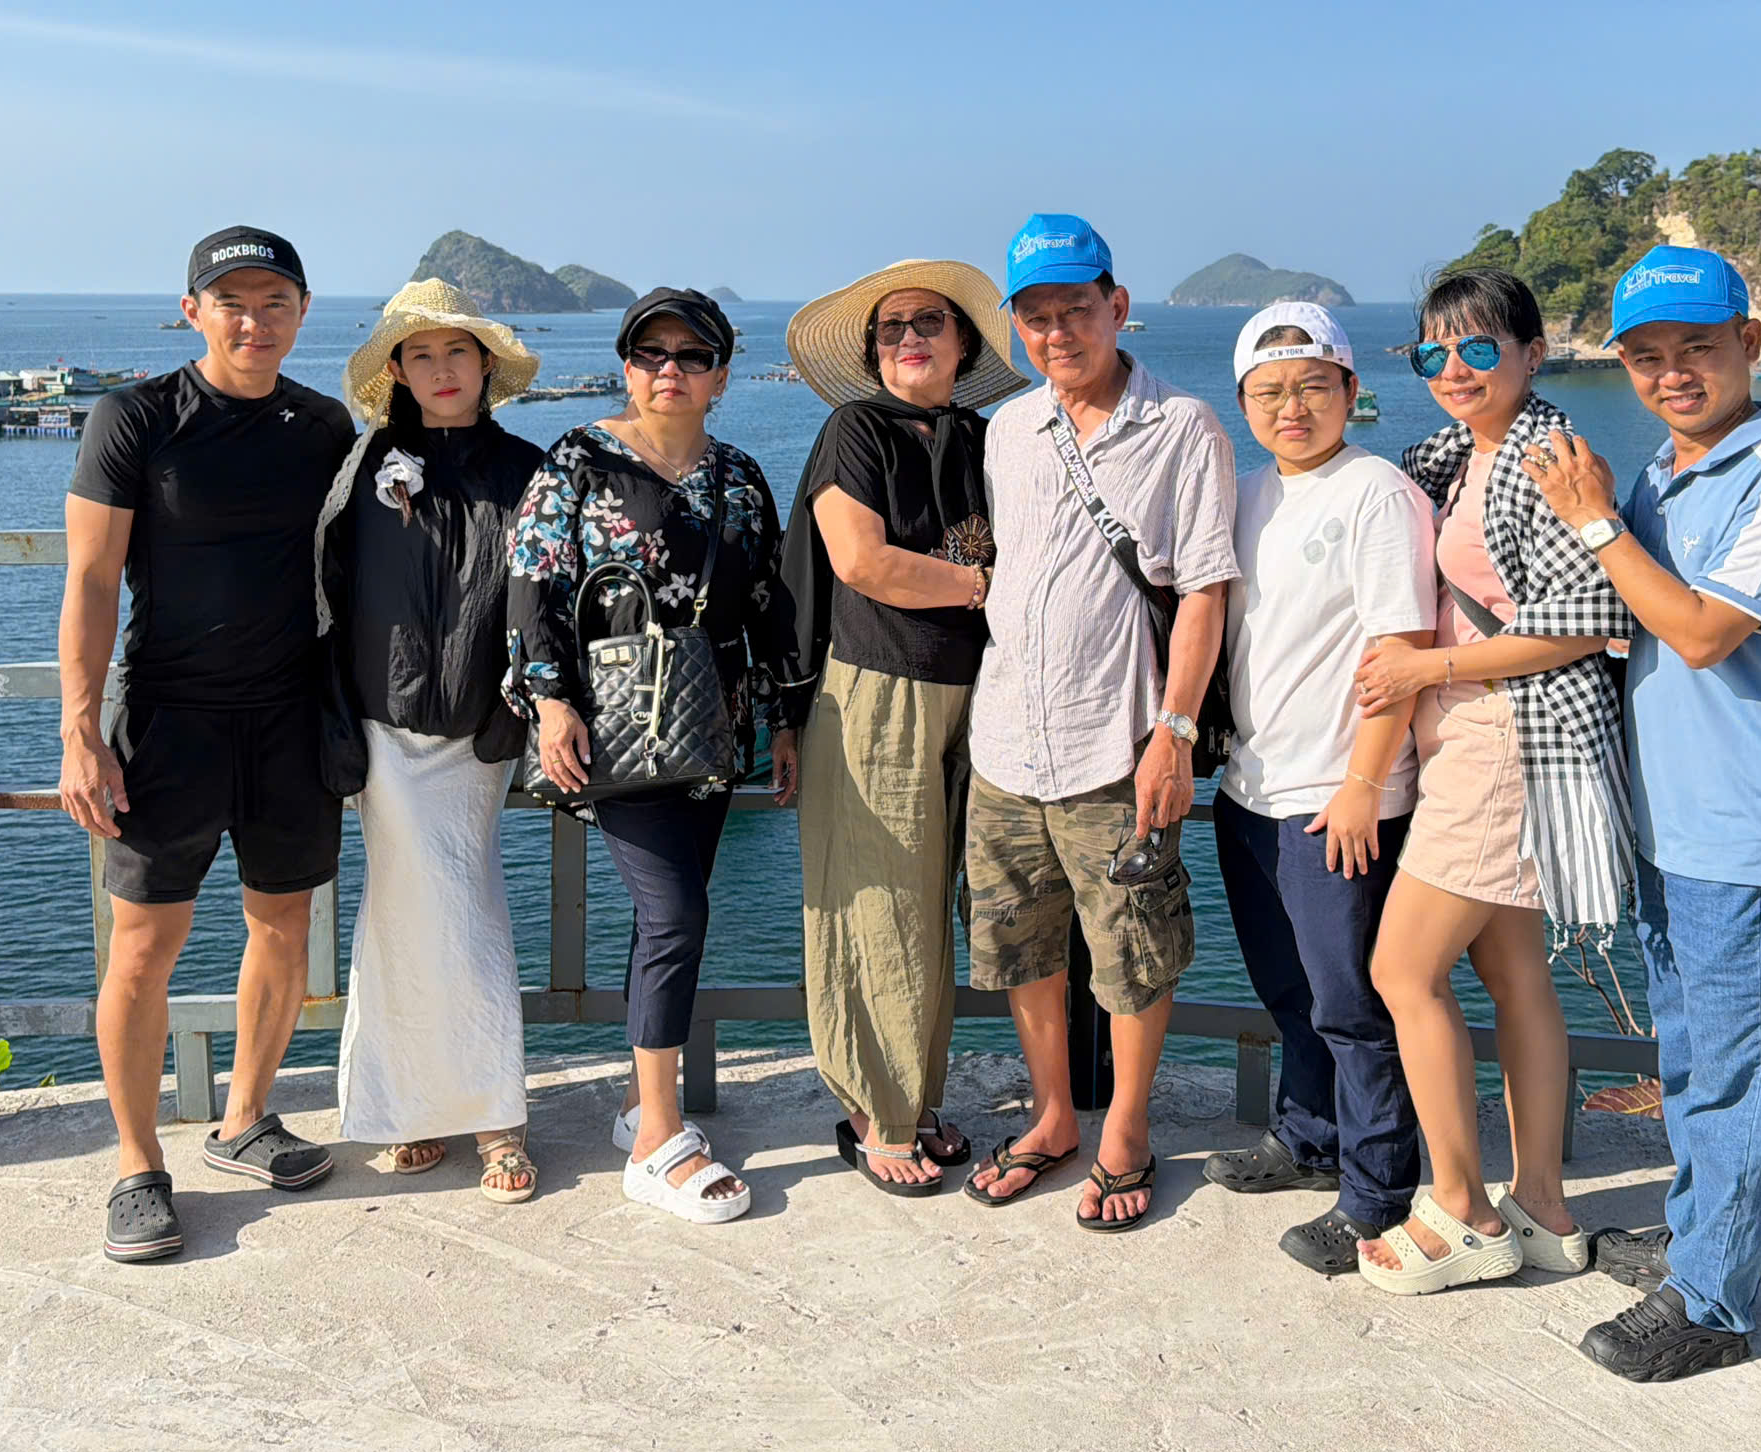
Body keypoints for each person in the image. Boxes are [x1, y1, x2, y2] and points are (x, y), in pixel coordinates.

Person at [1522, 244, 1761, 1384]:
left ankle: (1714, 1303)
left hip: (1754, 820)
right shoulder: (1664, 472)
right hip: (1671, 815)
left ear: (1749, 344)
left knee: (1740, 1073)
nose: (1673, 374)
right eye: (1647, 356)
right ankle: (1697, 1240)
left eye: (1698, 349)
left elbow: (1705, 634)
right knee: (1694, 1056)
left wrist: (1594, 522)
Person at [57, 226, 354, 1264]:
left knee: (284, 925)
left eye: (275, 301)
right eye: (232, 301)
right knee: (143, 946)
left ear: (303, 313)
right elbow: (92, 577)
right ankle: (138, 1166)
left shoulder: (324, 424)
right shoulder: (134, 416)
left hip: (290, 718)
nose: (253, 320)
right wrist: (79, 730)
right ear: (192, 312)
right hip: (168, 720)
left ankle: (244, 1120)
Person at [1348, 265, 1634, 1296]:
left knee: (1403, 972)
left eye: (1478, 348)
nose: (1454, 369)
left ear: (1531, 352)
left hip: (1505, 738)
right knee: (1514, 973)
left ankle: (1463, 1210)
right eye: (1434, 352)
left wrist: (1427, 670)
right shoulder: (1461, 455)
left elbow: (1589, 621)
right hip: (1475, 733)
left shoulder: (1550, 460)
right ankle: (1544, 1209)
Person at [960, 215, 1236, 1231]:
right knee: (1022, 943)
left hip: (1114, 743)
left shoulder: (1183, 428)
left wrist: (1175, 732)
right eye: (1035, 316)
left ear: (1117, 307)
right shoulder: (1007, 429)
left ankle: (1125, 1127)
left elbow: (1204, 589)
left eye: (1076, 309)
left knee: (1133, 949)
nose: (1057, 332)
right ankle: (1051, 1116)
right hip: (1004, 742)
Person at [503, 287, 800, 1225]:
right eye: (650, 353)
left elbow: (768, 603)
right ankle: (658, 1141)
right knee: (675, 914)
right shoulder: (578, 461)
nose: (669, 369)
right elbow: (533, 583)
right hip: (616, 722)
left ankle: (645, 1104)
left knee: (665, 917)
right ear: (627, 367)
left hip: (711, 723)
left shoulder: (739, 476)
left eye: (691, 355)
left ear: (721, 374)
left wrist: (785, 720)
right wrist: (550, 700)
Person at [779, 261, 1026, 1194]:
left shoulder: (986, 437)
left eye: (929, 322)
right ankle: (876, 1111)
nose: (909, 338)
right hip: (877, 690)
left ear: (964, 344)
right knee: (877, 900)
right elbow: (863, 562)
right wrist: (987, 586)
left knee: (934, 904)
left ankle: (916, 1097)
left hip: (979, 692)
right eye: (890, 328)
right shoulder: (857, 429)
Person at [1201, 304, 1436, 1275]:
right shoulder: (1248, 493)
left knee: (1352, 1004)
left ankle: (1376, 1194)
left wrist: (1363, 785)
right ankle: (1309, 1136)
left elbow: (1401, 647)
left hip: (1338, 797)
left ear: (1349, 389)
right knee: (1288, 989)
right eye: (1268, 392)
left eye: (1311, 387)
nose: (1290, 408)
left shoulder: (1377, 493)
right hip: (1252, 788)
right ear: (1243, 400)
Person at [315, 279, 545, 1202]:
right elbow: (326, 592)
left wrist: (521, 705)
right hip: (380, 725)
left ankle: (488, 1113)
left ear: (485, 365)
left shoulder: (527, 469)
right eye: (422, 354)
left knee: (464, 905)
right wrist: (333, 715)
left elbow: (546, 596)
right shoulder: (365, 465)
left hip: (481, 729)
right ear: (399, 372)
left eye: (458, 352)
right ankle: (413, 1109)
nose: (442, 369)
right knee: (400, 909)